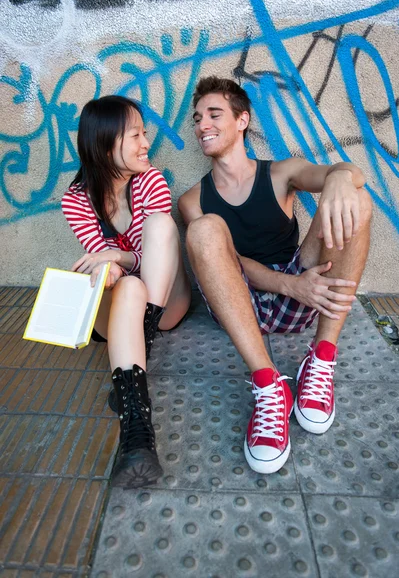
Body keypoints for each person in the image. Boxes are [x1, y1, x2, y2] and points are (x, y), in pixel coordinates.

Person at [178, 76, 372, 475]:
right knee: (203, 230)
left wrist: (339, 178)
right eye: (197, 119)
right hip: (237, 302)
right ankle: (270, 386)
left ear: (242, 120)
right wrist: (290, 284)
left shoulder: (281, 173)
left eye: (214, 114)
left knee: (360, 198)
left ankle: (320, 360)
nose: (202, 125)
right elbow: (229, 261)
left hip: (301, 295)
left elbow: (346, 171)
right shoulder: (192, 200)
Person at [62, 95, 191, 488]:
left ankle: (139, 359)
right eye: (135, 134)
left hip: (167, 303)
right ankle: (137, 435)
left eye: (144, 133)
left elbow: (147, 255)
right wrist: (111, 267)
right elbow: (110, 270)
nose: (145, 143)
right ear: (104, 145)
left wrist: (117, 254)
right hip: (122, 303)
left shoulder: (150, 180)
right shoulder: (76, 200)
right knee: (128, 284)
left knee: (162, 228)